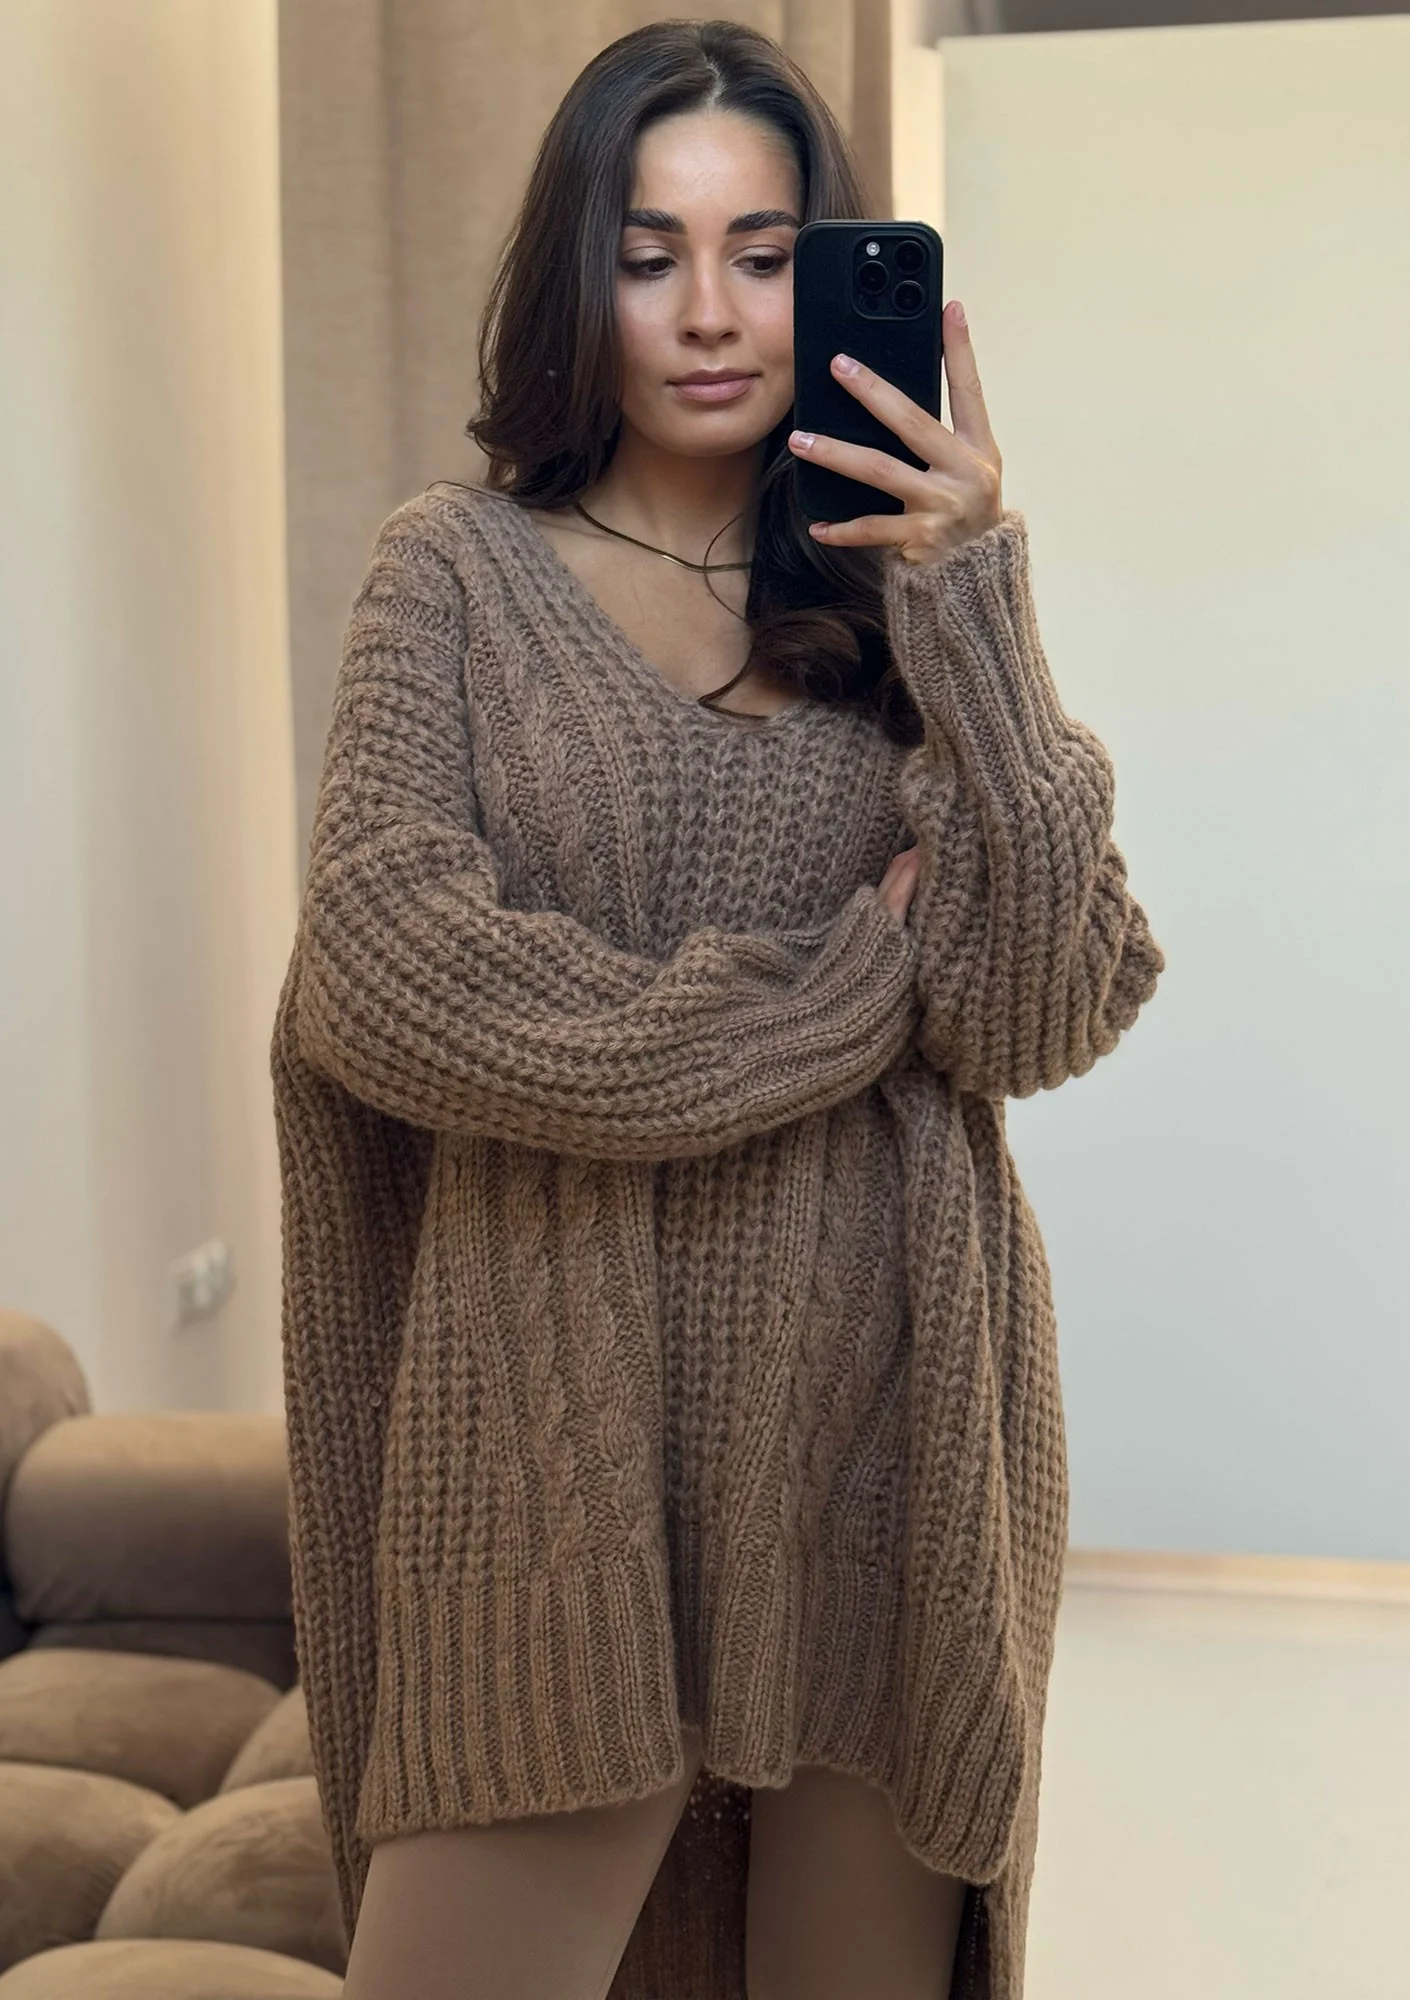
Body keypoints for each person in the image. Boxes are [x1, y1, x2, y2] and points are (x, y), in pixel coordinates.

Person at [270, 19, 1166, 2000]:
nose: (708, 313)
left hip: (884, 1441)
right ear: (571, 279)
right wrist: (850, 988)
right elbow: (392, 981)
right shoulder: (456, 573)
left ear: (828, 271)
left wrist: (976, 604)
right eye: (647, 253)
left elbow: (1040, 1005)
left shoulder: (908, 602)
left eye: (763, 254)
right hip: (550, 1445)